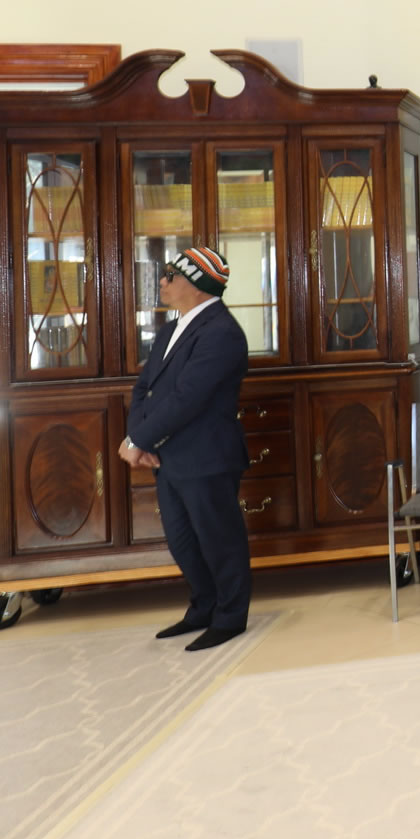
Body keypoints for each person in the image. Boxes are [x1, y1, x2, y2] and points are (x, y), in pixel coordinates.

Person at [118, 246, 252, 651]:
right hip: (169, 457)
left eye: (171, 275)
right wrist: (138, 437)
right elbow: (144, 389)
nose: (162, 282)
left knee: (219, 540)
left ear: (197, 284)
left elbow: (187, 399)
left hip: (206, 456)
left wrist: (140, 440)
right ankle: (203, 607)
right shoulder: (169, 330)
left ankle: (230, 617)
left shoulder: (222, 333)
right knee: (183, 542)